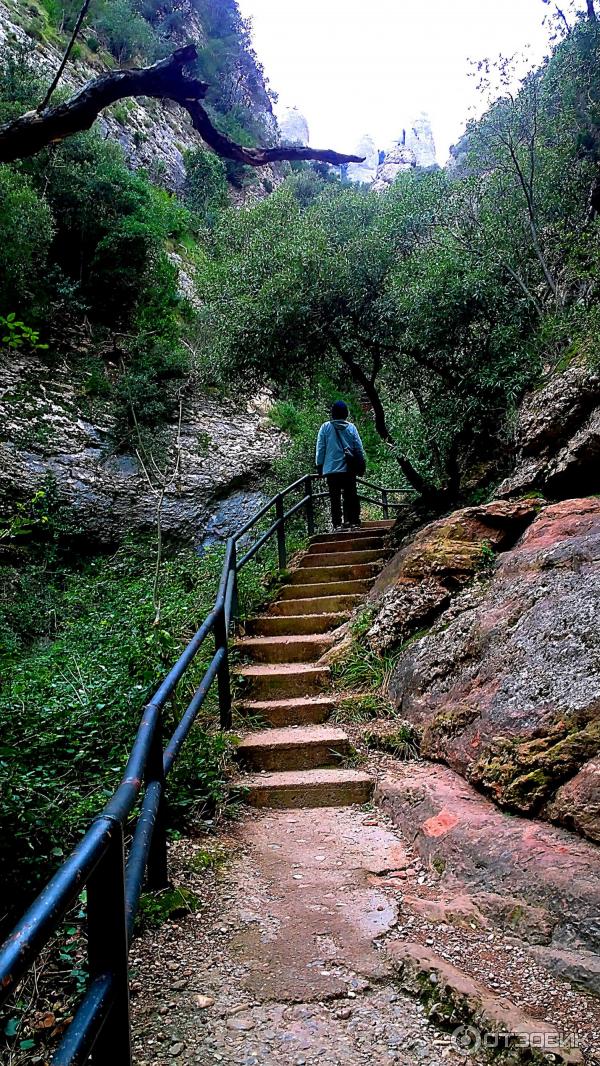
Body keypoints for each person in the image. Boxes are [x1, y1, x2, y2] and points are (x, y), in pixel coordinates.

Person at [315, 400, 366, 531]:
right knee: (351, 496)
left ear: (332, 413)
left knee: (335, 498)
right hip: (349, 469)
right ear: (346, 414)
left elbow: (321, 448)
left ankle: (337, 524)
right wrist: (360, 463)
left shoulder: (325, 427)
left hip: (331, 470)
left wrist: (319, 465)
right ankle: (353, 521)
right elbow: (358, 448)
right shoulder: (351, 428)